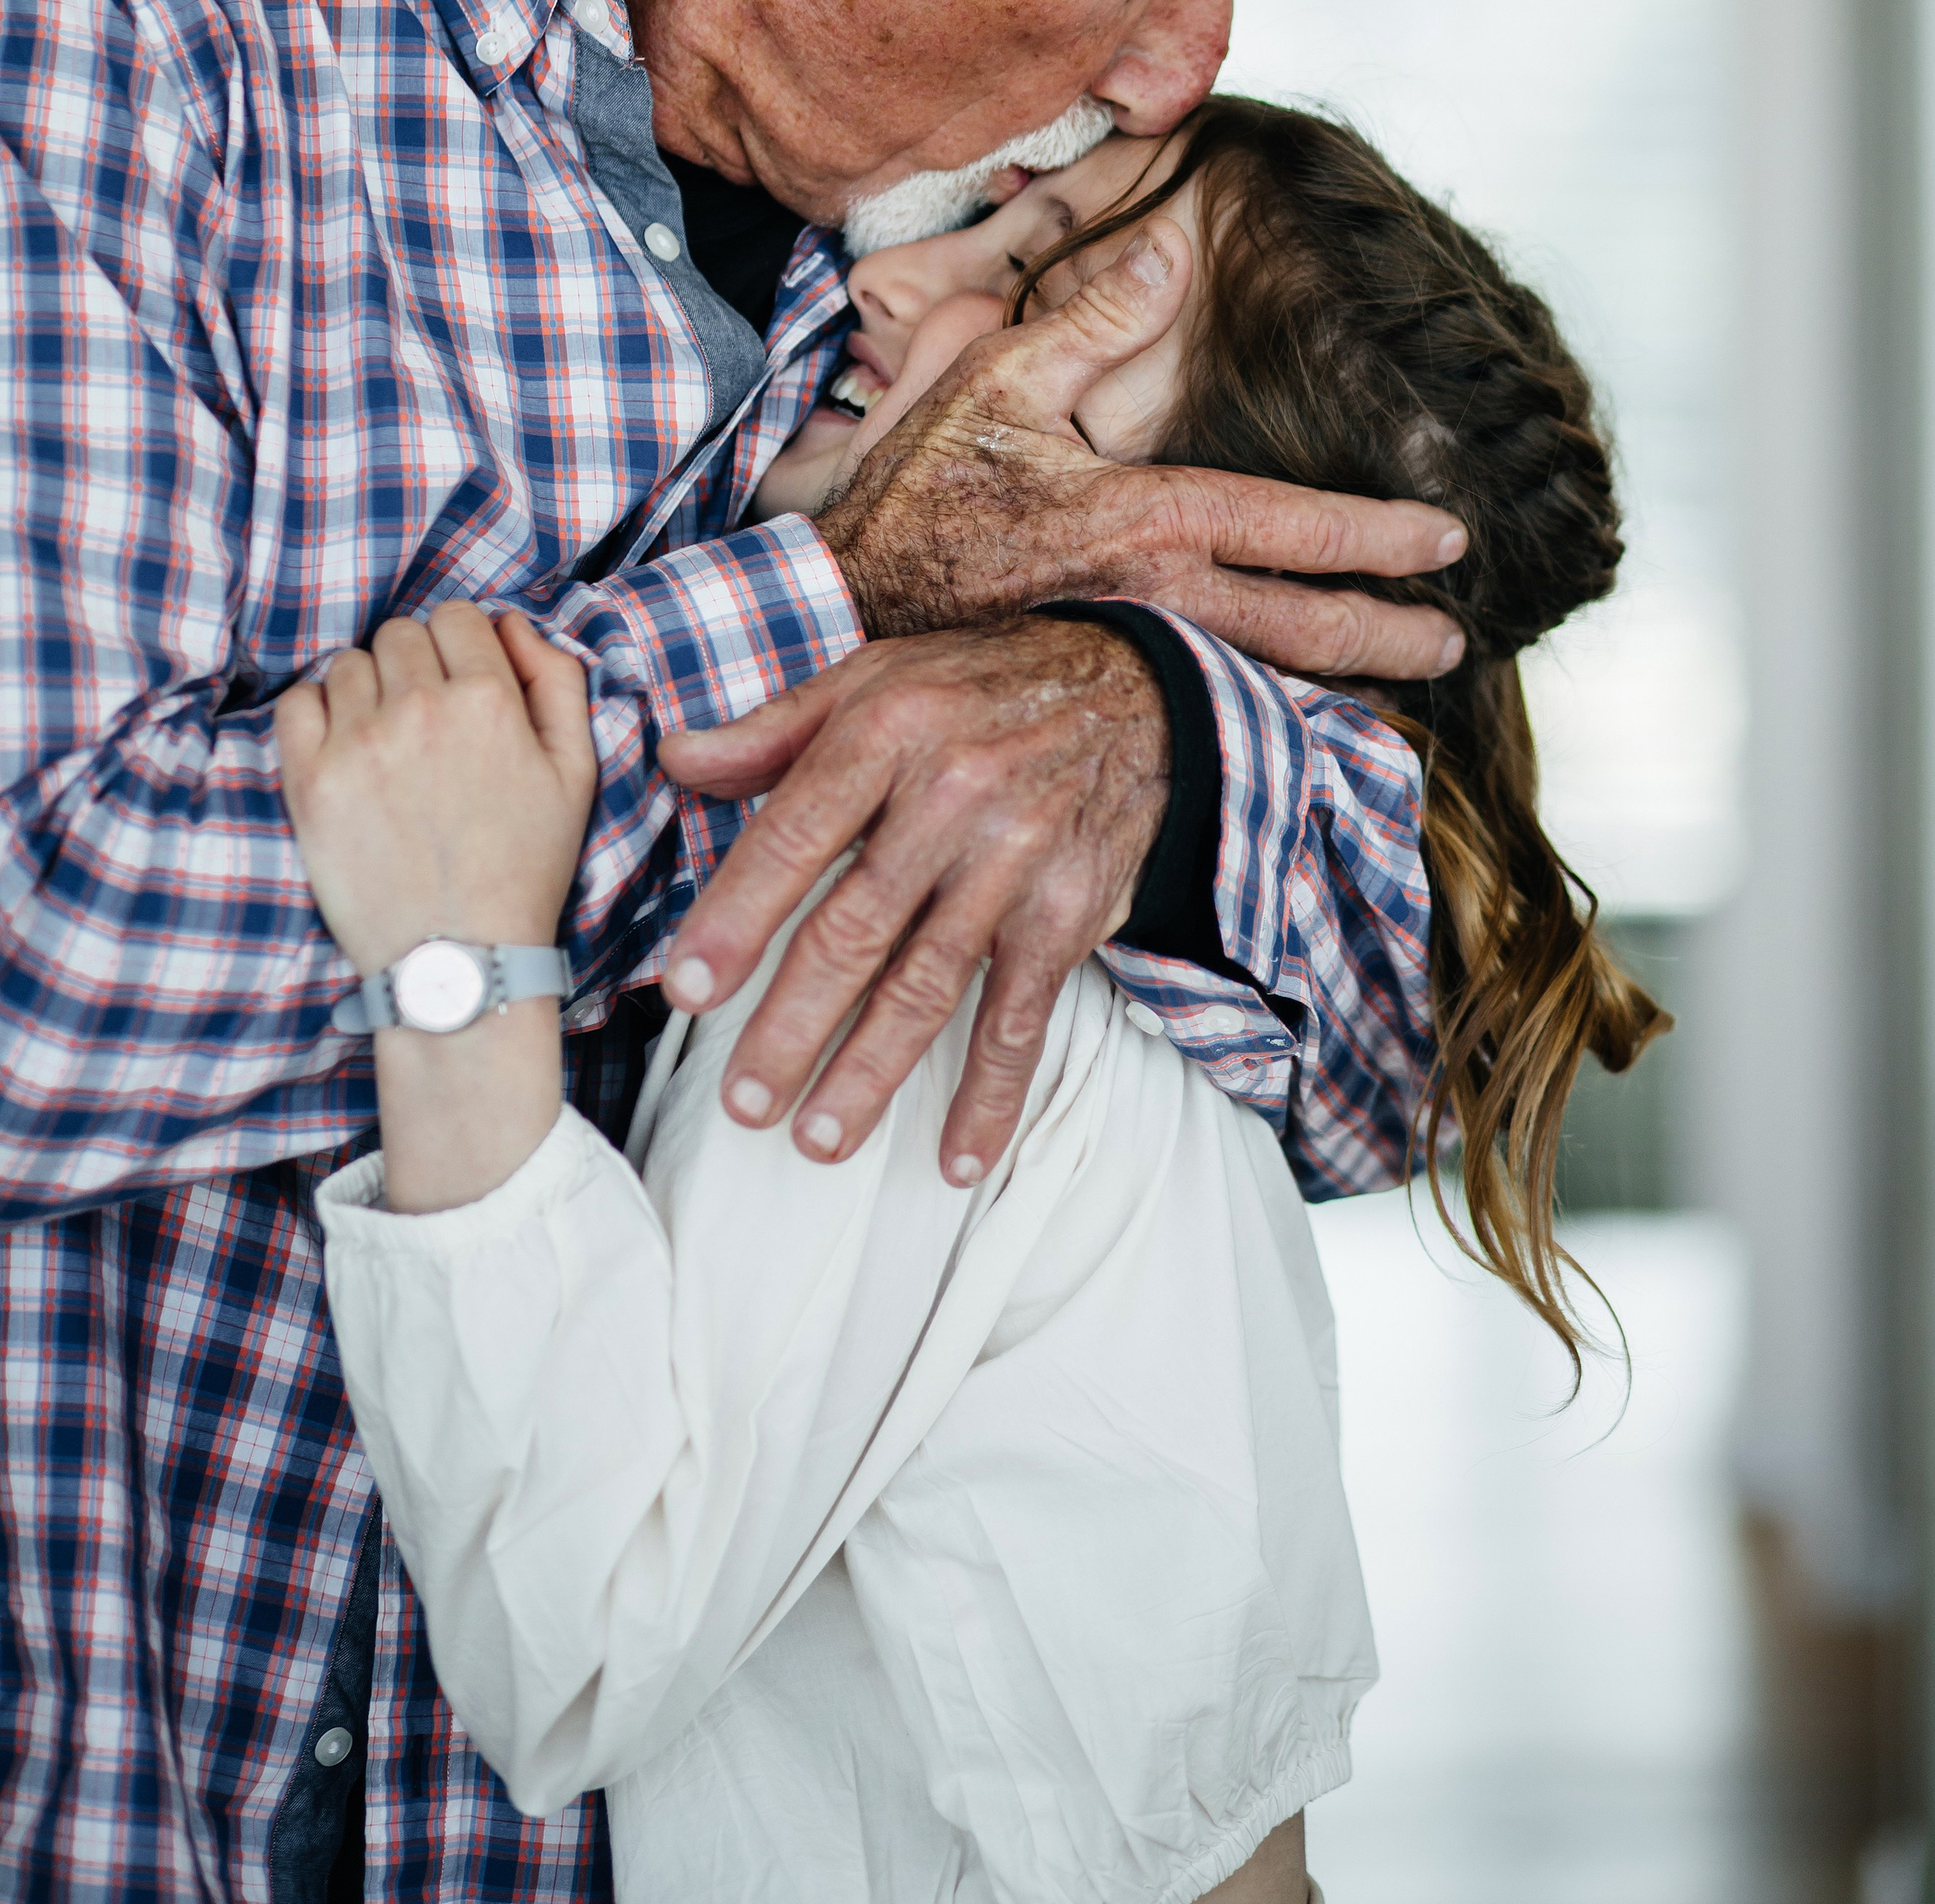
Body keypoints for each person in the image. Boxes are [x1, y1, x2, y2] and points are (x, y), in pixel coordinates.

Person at [0, 0, 1468, 1900]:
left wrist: (1147, 728)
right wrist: (827, 614)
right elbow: (32, 961)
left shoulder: (990, 224)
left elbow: (1419, 1031)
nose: (1185, 71)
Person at [275, 99, 1668, 1904]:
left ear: (1180, 531)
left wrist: (452, 958)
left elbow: (578, 1652)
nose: (890, 275)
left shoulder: (945, 944)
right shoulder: (1113, 921)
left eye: (1028, 292)